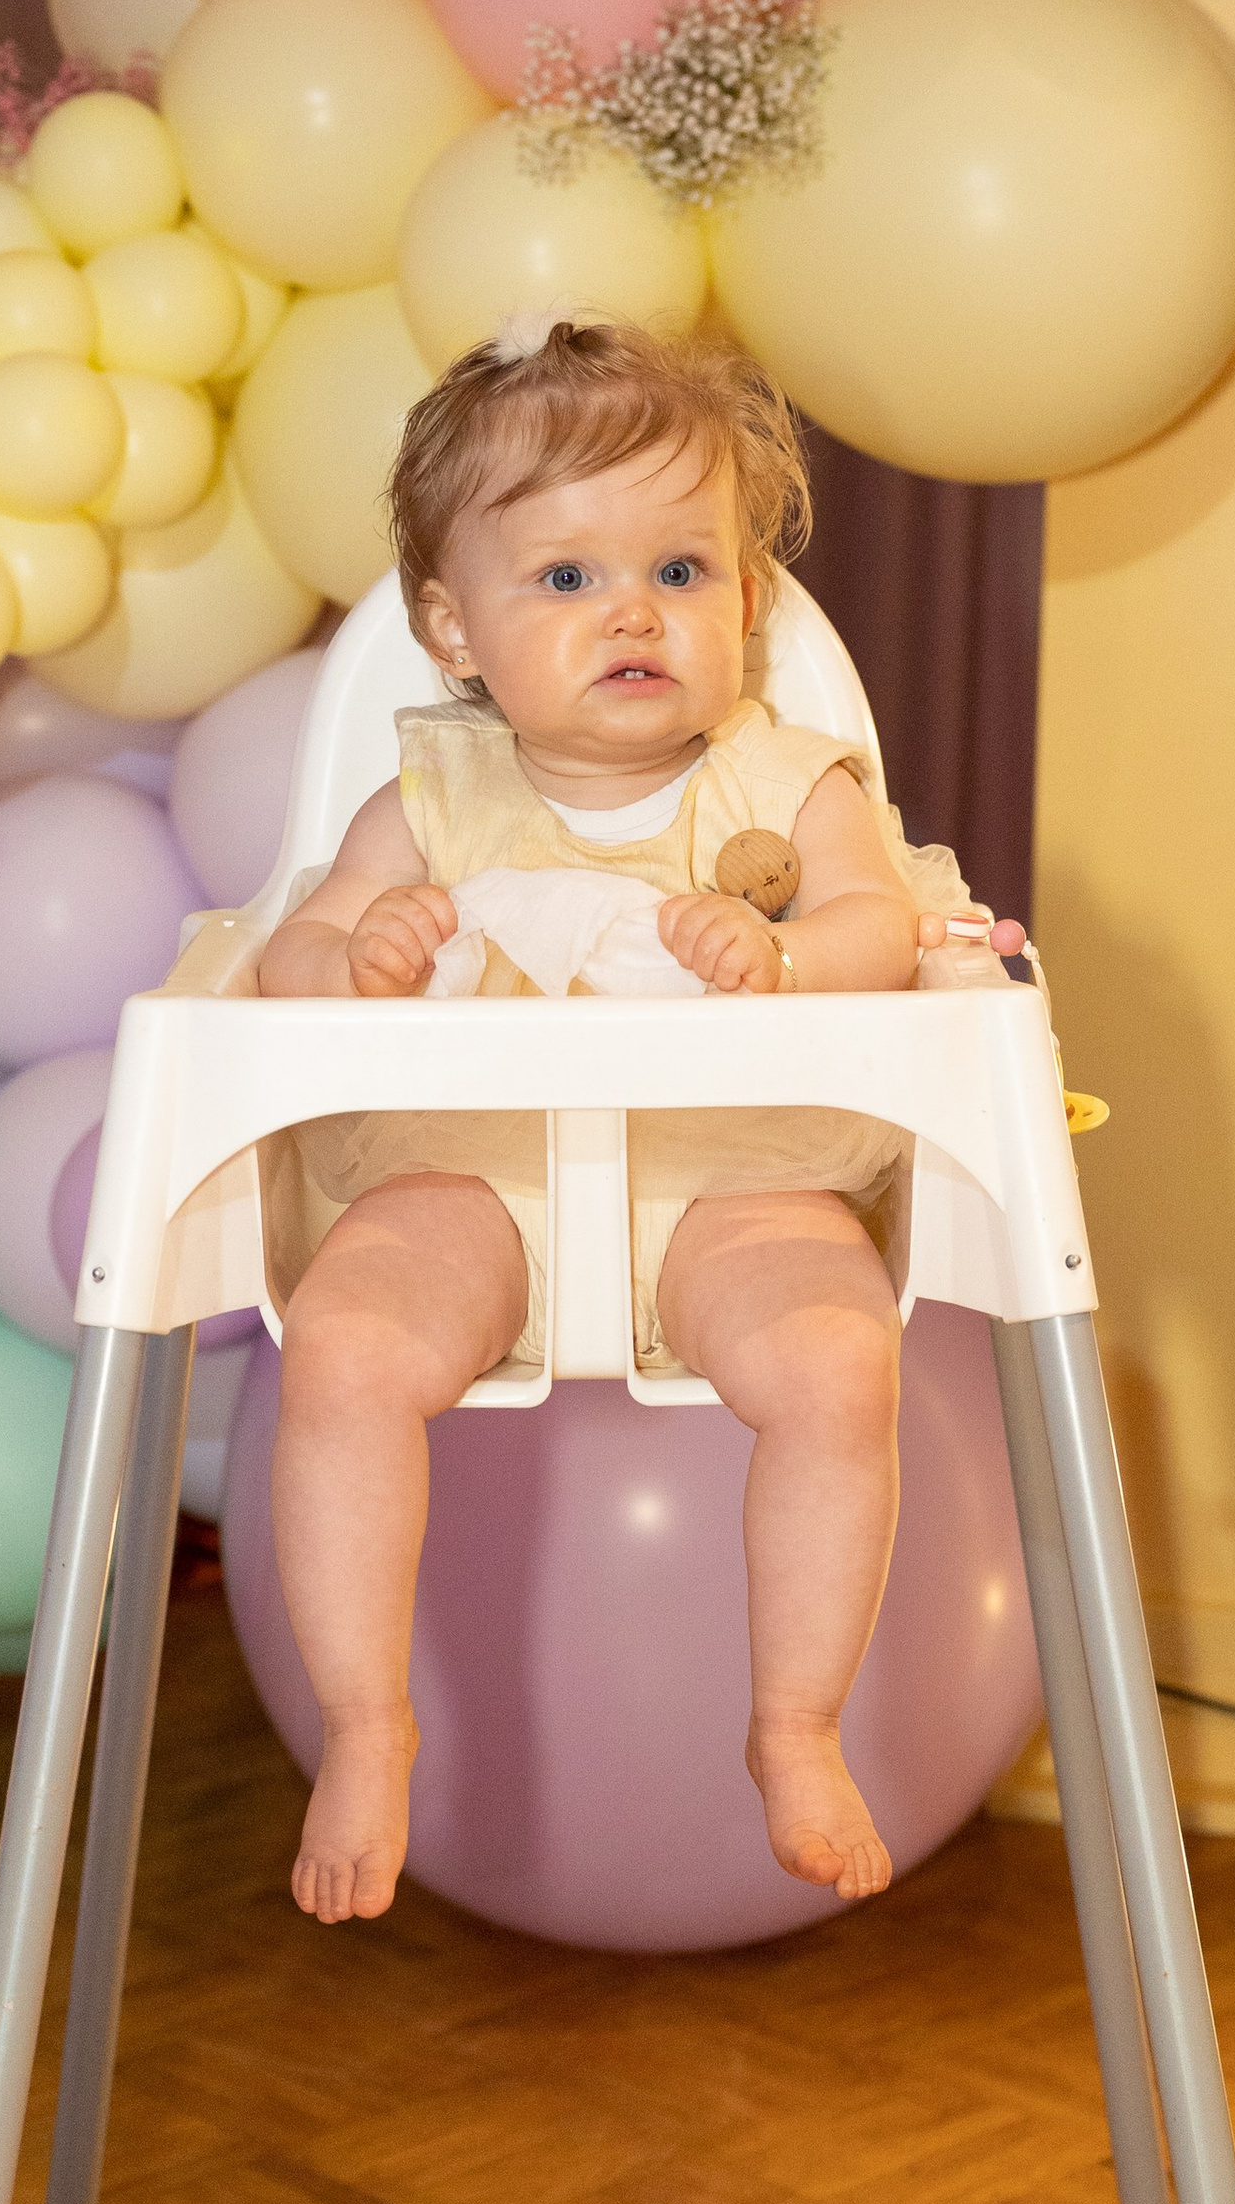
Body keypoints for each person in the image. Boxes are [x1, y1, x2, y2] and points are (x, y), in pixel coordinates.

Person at [257, 315, 1010, 1929]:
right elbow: (293, 952)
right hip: (475, 1175)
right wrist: (357, 951)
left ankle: (794, 1723)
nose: (635, 617)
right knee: (343, 1351)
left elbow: (888, 926)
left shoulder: (791, 782)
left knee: (837, 1361)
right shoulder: (431, 801)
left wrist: (793, 954)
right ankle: (367, 1723)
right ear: (453, 628)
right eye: (567, 580)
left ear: (746, 599)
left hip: (735, 1176)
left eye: (681, 572)